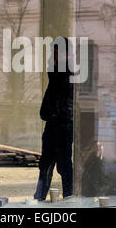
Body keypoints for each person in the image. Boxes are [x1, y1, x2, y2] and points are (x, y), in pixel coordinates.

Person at [34, 37, 74, 201]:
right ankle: (41, 196)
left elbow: (66, 101)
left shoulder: (67, 74)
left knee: (63, 166)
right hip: (55, 124)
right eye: (53, 52)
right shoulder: (57, 73)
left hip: (62, 125)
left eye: (56, 52)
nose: (53, 55)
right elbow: (52, 98)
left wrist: (57, 115)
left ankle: (68, 198)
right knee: (46, 164)